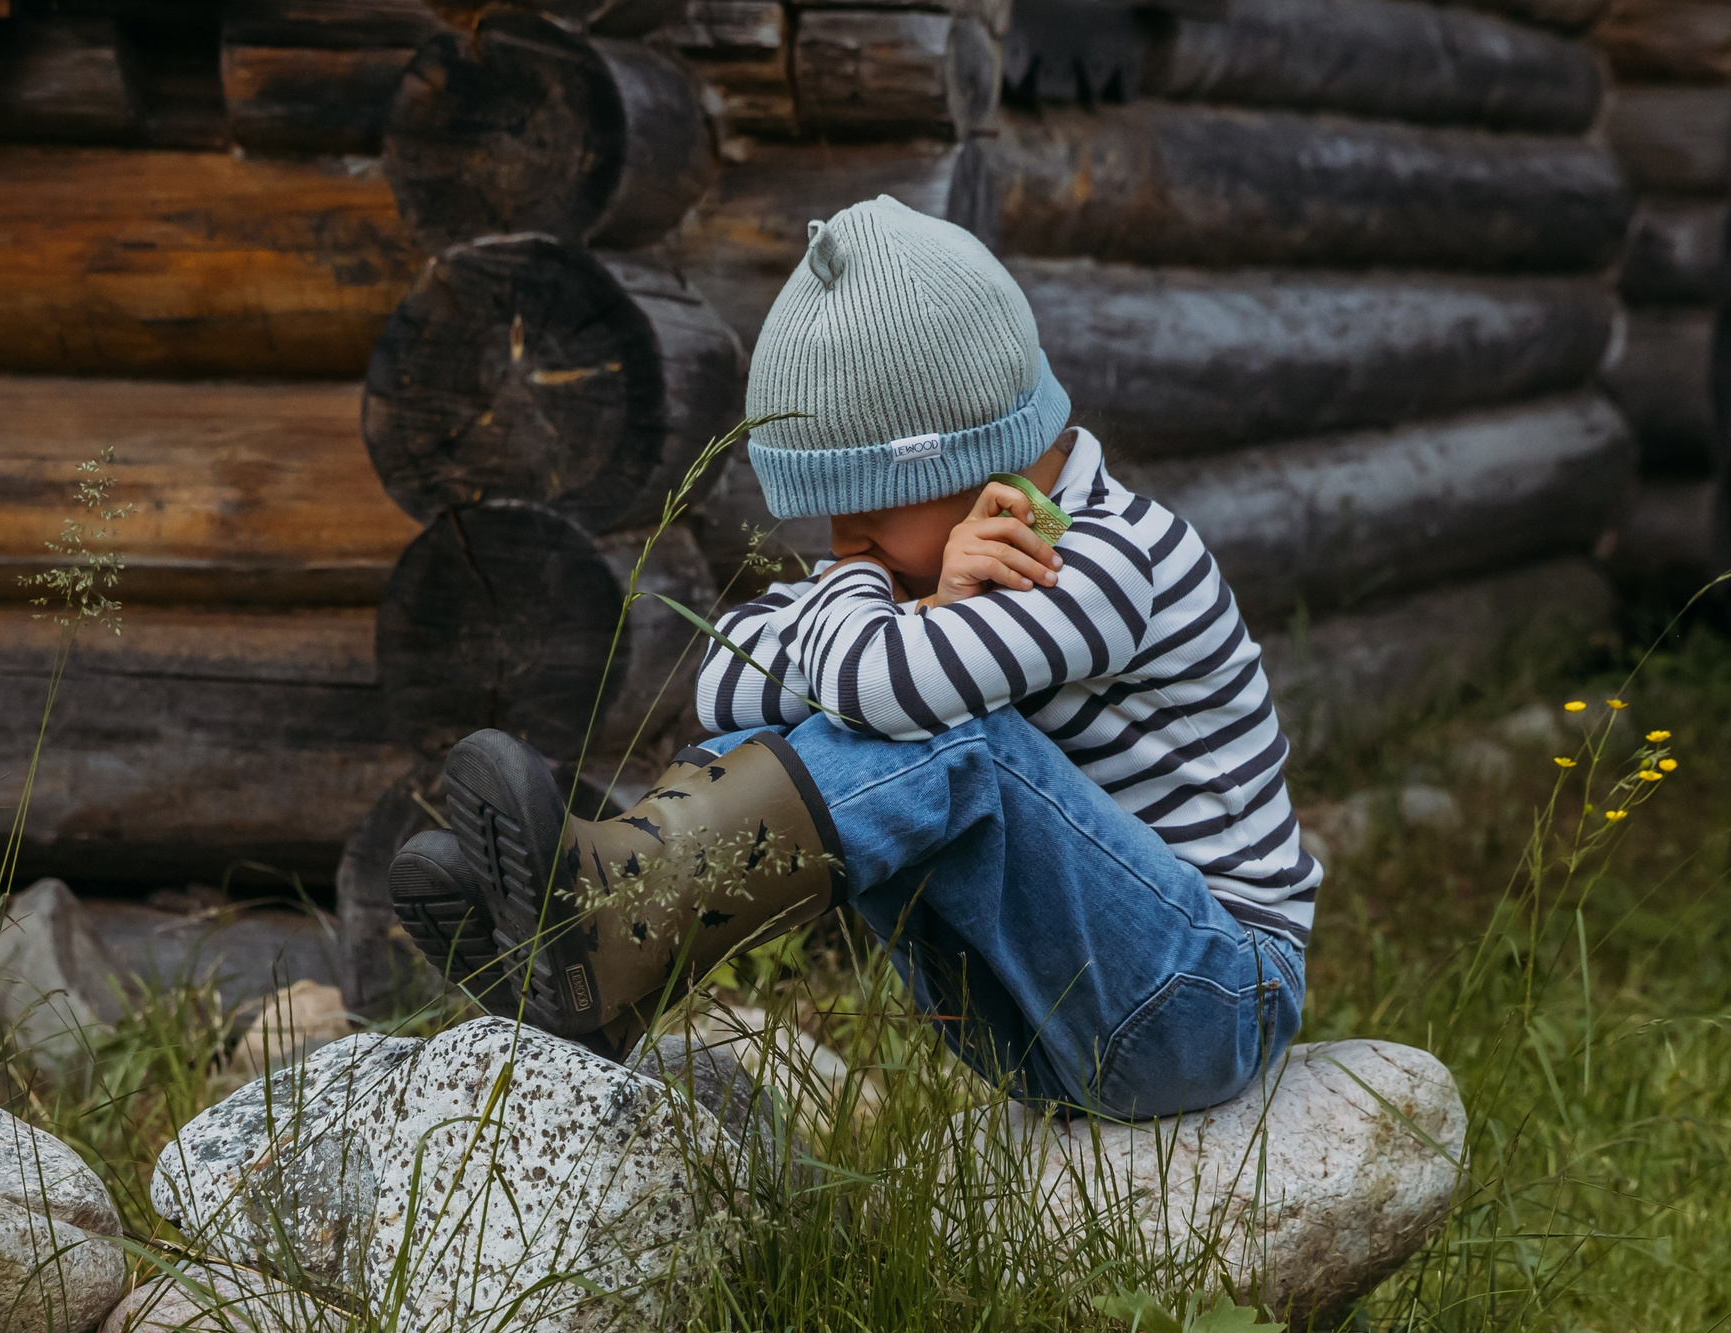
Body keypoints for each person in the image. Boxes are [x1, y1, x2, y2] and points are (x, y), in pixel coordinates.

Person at [388, 195, 1320, 1121]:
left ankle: (626, 922)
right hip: (1032, 1018)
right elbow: (729, 677)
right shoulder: (933, 566)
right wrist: (909, 603)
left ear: (965, 459)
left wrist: (879, 606)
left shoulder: (1106, 559)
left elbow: (876, 680)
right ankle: (617, 936)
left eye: (865, 518)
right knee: (885, 700)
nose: (845, 548)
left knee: (950, 734)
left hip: (1211, 996)